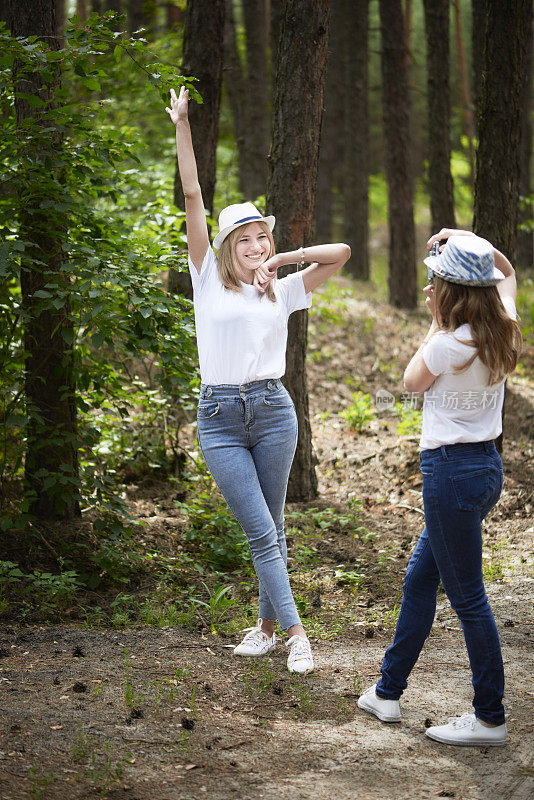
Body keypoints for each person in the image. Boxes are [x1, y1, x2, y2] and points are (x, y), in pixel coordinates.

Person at [166, 86, 350, 674]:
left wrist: (282, 261)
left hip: (274, 412)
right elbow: (193, 194)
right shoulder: (206, 280)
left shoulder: (283, 289)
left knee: (273, 527)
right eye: (242, 239)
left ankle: (268, 628)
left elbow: (340, 253)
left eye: (260, 237)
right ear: (224, 246)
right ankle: (299, 635)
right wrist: (183, 125)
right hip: (220, 419)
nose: (252, 245)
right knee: (260, 530)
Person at [357, 229, 521, 746]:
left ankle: (489, 717)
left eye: (435, 283)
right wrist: (470, 241)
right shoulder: (505, 330)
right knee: (420, 579)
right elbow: (509, 273)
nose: (428, 290)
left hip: (450, 475)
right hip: (485, 468)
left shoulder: (448, 344)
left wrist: (433, 322)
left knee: (468, 597)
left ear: (450, 292)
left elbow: (408, 384)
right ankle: (387, 691)